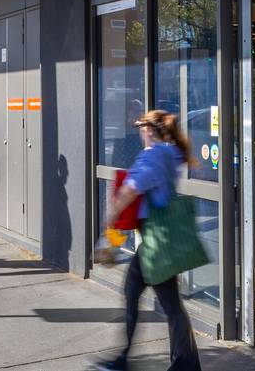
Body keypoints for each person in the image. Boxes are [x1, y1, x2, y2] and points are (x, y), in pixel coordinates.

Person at [95, 110, 201, 371]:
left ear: (149, 130)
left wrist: (110, 219)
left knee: (164, 303)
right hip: (162, 239)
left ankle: (181, 364)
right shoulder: (172, 153)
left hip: (156, 243)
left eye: (142, 128)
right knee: (145, 296)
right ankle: (130, 359)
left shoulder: (152, 156)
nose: (140, 133)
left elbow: (130, 190)